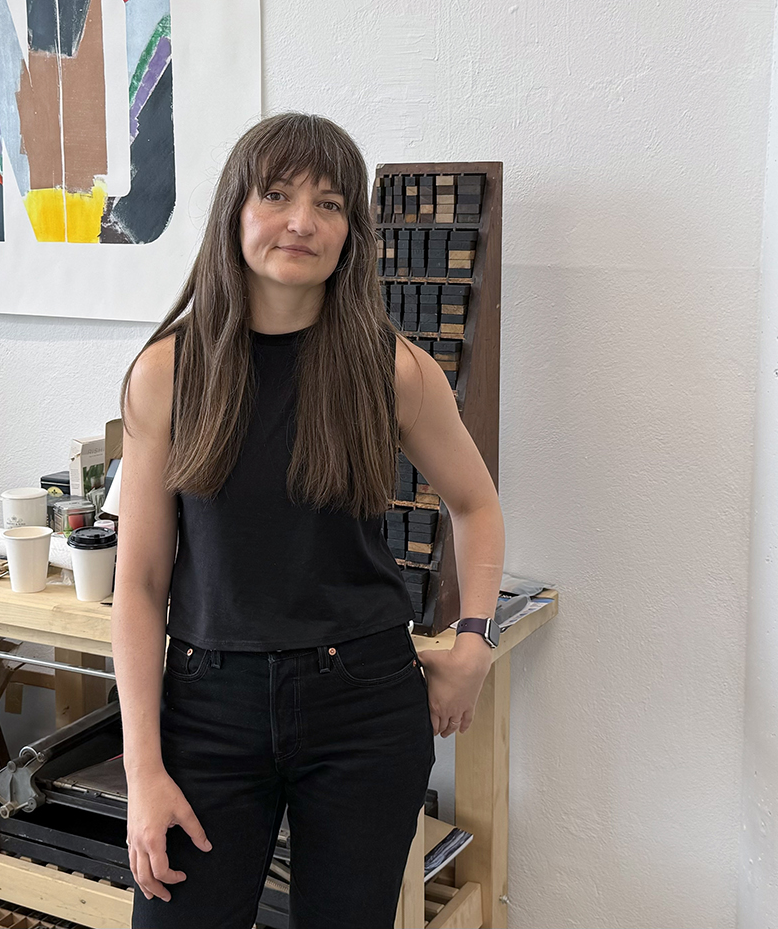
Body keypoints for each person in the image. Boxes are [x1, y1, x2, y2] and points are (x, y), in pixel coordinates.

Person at [112, 113, 505, 928]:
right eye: (277, 195)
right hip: (209, 707)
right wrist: (143, 770)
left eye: (329, 204)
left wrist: (475, 640)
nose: (302, 221)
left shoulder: (394, 369)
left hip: (363, 703)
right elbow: (140, 585)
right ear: (235, 211)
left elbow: (476, 504)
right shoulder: (167, 374)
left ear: (352, 232)